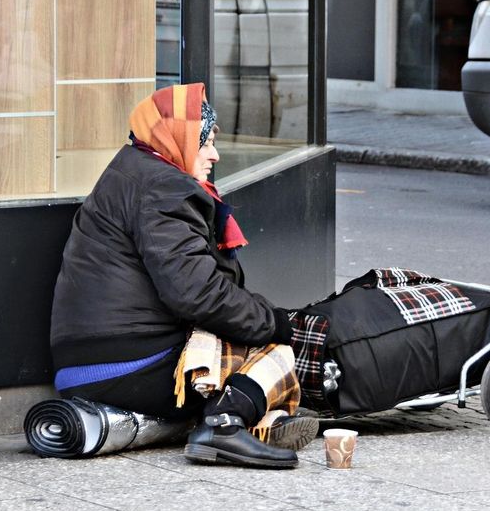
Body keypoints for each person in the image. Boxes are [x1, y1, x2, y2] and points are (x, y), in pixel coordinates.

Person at [50, 83, 316, 469]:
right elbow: (197, 294)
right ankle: (223, 427)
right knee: (275, 352)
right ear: (177, 139)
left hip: (93, 359)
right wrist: (274, 322)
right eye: (205, 142)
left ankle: (258, 423)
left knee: (240, 342)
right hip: (125, 365)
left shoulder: (136, 169)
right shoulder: (164, 187)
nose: (214, 154)